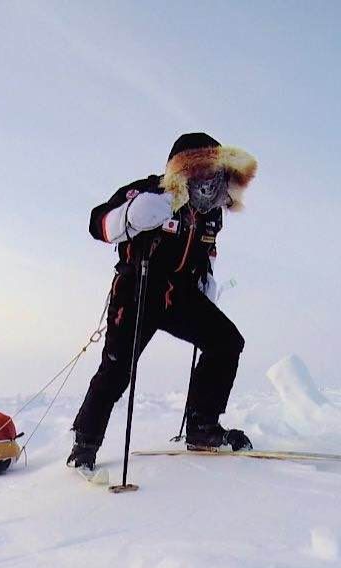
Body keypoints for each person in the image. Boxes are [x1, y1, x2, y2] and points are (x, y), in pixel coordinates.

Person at [67, 132, 258, 471]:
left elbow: (207, 247)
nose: (208, 178)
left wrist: (207, 278)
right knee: (116, 369)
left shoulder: (213, 209)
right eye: (200, 169)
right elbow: (98, 224)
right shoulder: (150, 191)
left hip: (181, 295)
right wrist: (130, 216)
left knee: (227, 342)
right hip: (137, 290)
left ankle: (202, 427)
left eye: (213, 170)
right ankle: (85, 443)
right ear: (182, 168)